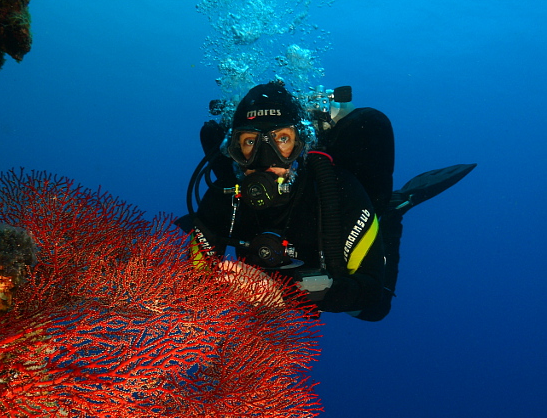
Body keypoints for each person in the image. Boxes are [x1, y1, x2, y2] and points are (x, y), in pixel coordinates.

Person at [180, 80, 475, 319]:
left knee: (372, 312)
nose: (265, 157)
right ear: (234, 149)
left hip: (329, 266)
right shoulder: (223, 197)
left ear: (301, 143)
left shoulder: (339, 190)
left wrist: (282, 296)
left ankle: (392, 209)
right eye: (249, 142)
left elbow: (370, 290)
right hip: (273, 277)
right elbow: (197, 281)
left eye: (282, 139)